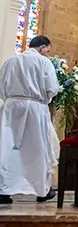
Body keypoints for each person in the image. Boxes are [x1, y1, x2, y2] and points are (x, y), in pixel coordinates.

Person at [0, 36, 59, 204]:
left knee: (7, 150)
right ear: (41, 48)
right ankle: (41, 191)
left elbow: (1, 87)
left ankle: (4, 191)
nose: (48, 54)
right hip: (35, 108)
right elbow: (52, 88)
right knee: (37, 149)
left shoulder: (10, 61)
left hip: (10, 109)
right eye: (47, 50)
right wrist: (44, 99)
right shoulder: (44, 62)